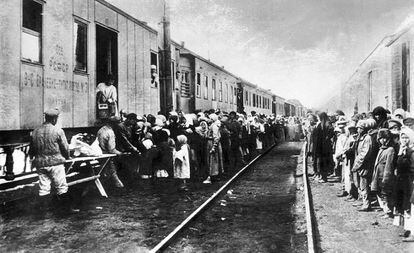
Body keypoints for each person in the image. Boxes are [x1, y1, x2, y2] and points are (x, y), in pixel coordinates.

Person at [29, 108, 74, 213]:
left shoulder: (35, 131)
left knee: (44, 187)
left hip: (40, 163)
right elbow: (65, 148)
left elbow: (32, 150)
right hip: (55, 163)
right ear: (54, 119)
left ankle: (44, 212)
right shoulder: (58, 130)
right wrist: (67, 157)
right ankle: (65, 210)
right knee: (61, 186)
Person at [371, 128, 395, 216]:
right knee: (379, 193)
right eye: (380, 138)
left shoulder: (390, 150)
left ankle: (388, 211)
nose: (382, 140)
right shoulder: (381, 149)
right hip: (378, 174)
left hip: (384, 175)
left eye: (385, 138)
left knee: (385, 194)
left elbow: (389, 165)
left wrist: (386, 178)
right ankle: (385, 210)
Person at [97, 116, 124, 188]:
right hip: (107, 155)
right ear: (115, 124)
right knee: (113, 171)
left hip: (99, 153)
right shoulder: (110, 132)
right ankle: (119, 187)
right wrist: (121, 153)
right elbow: (112, 149)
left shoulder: (101, 129)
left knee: (105, 171)